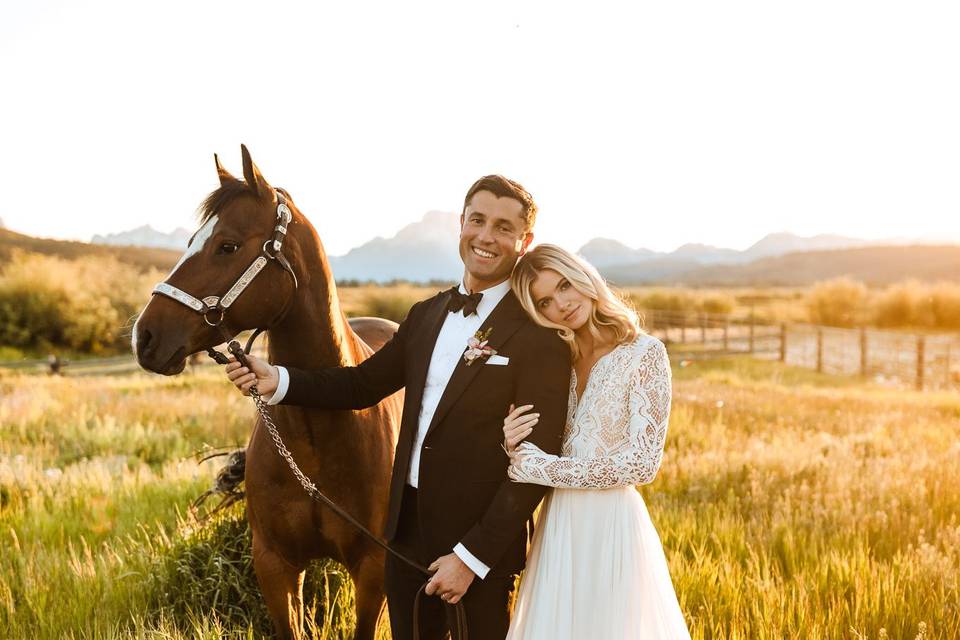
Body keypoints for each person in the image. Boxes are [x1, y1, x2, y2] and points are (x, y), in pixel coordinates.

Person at [224, 176, 571, 640]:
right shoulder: (426, 315)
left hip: (481, 550)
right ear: (461, 224)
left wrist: (470, 560)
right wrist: (278, 379)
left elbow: (536, 467)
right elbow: (361, 385)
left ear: (524, 242)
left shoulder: (539, 335)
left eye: (504, 227)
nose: (486, 237)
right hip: (403, 538)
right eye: (478, 220)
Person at [501, 244, 690, 639]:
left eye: (566, 285)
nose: (563, 304)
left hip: (610, 526)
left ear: (584, 277)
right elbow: (539, 442)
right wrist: (512, 442)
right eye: (546, 301)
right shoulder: (557, 360)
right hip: (557, 526)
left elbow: (642, 463)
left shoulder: (645, 353)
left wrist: (544, 468)